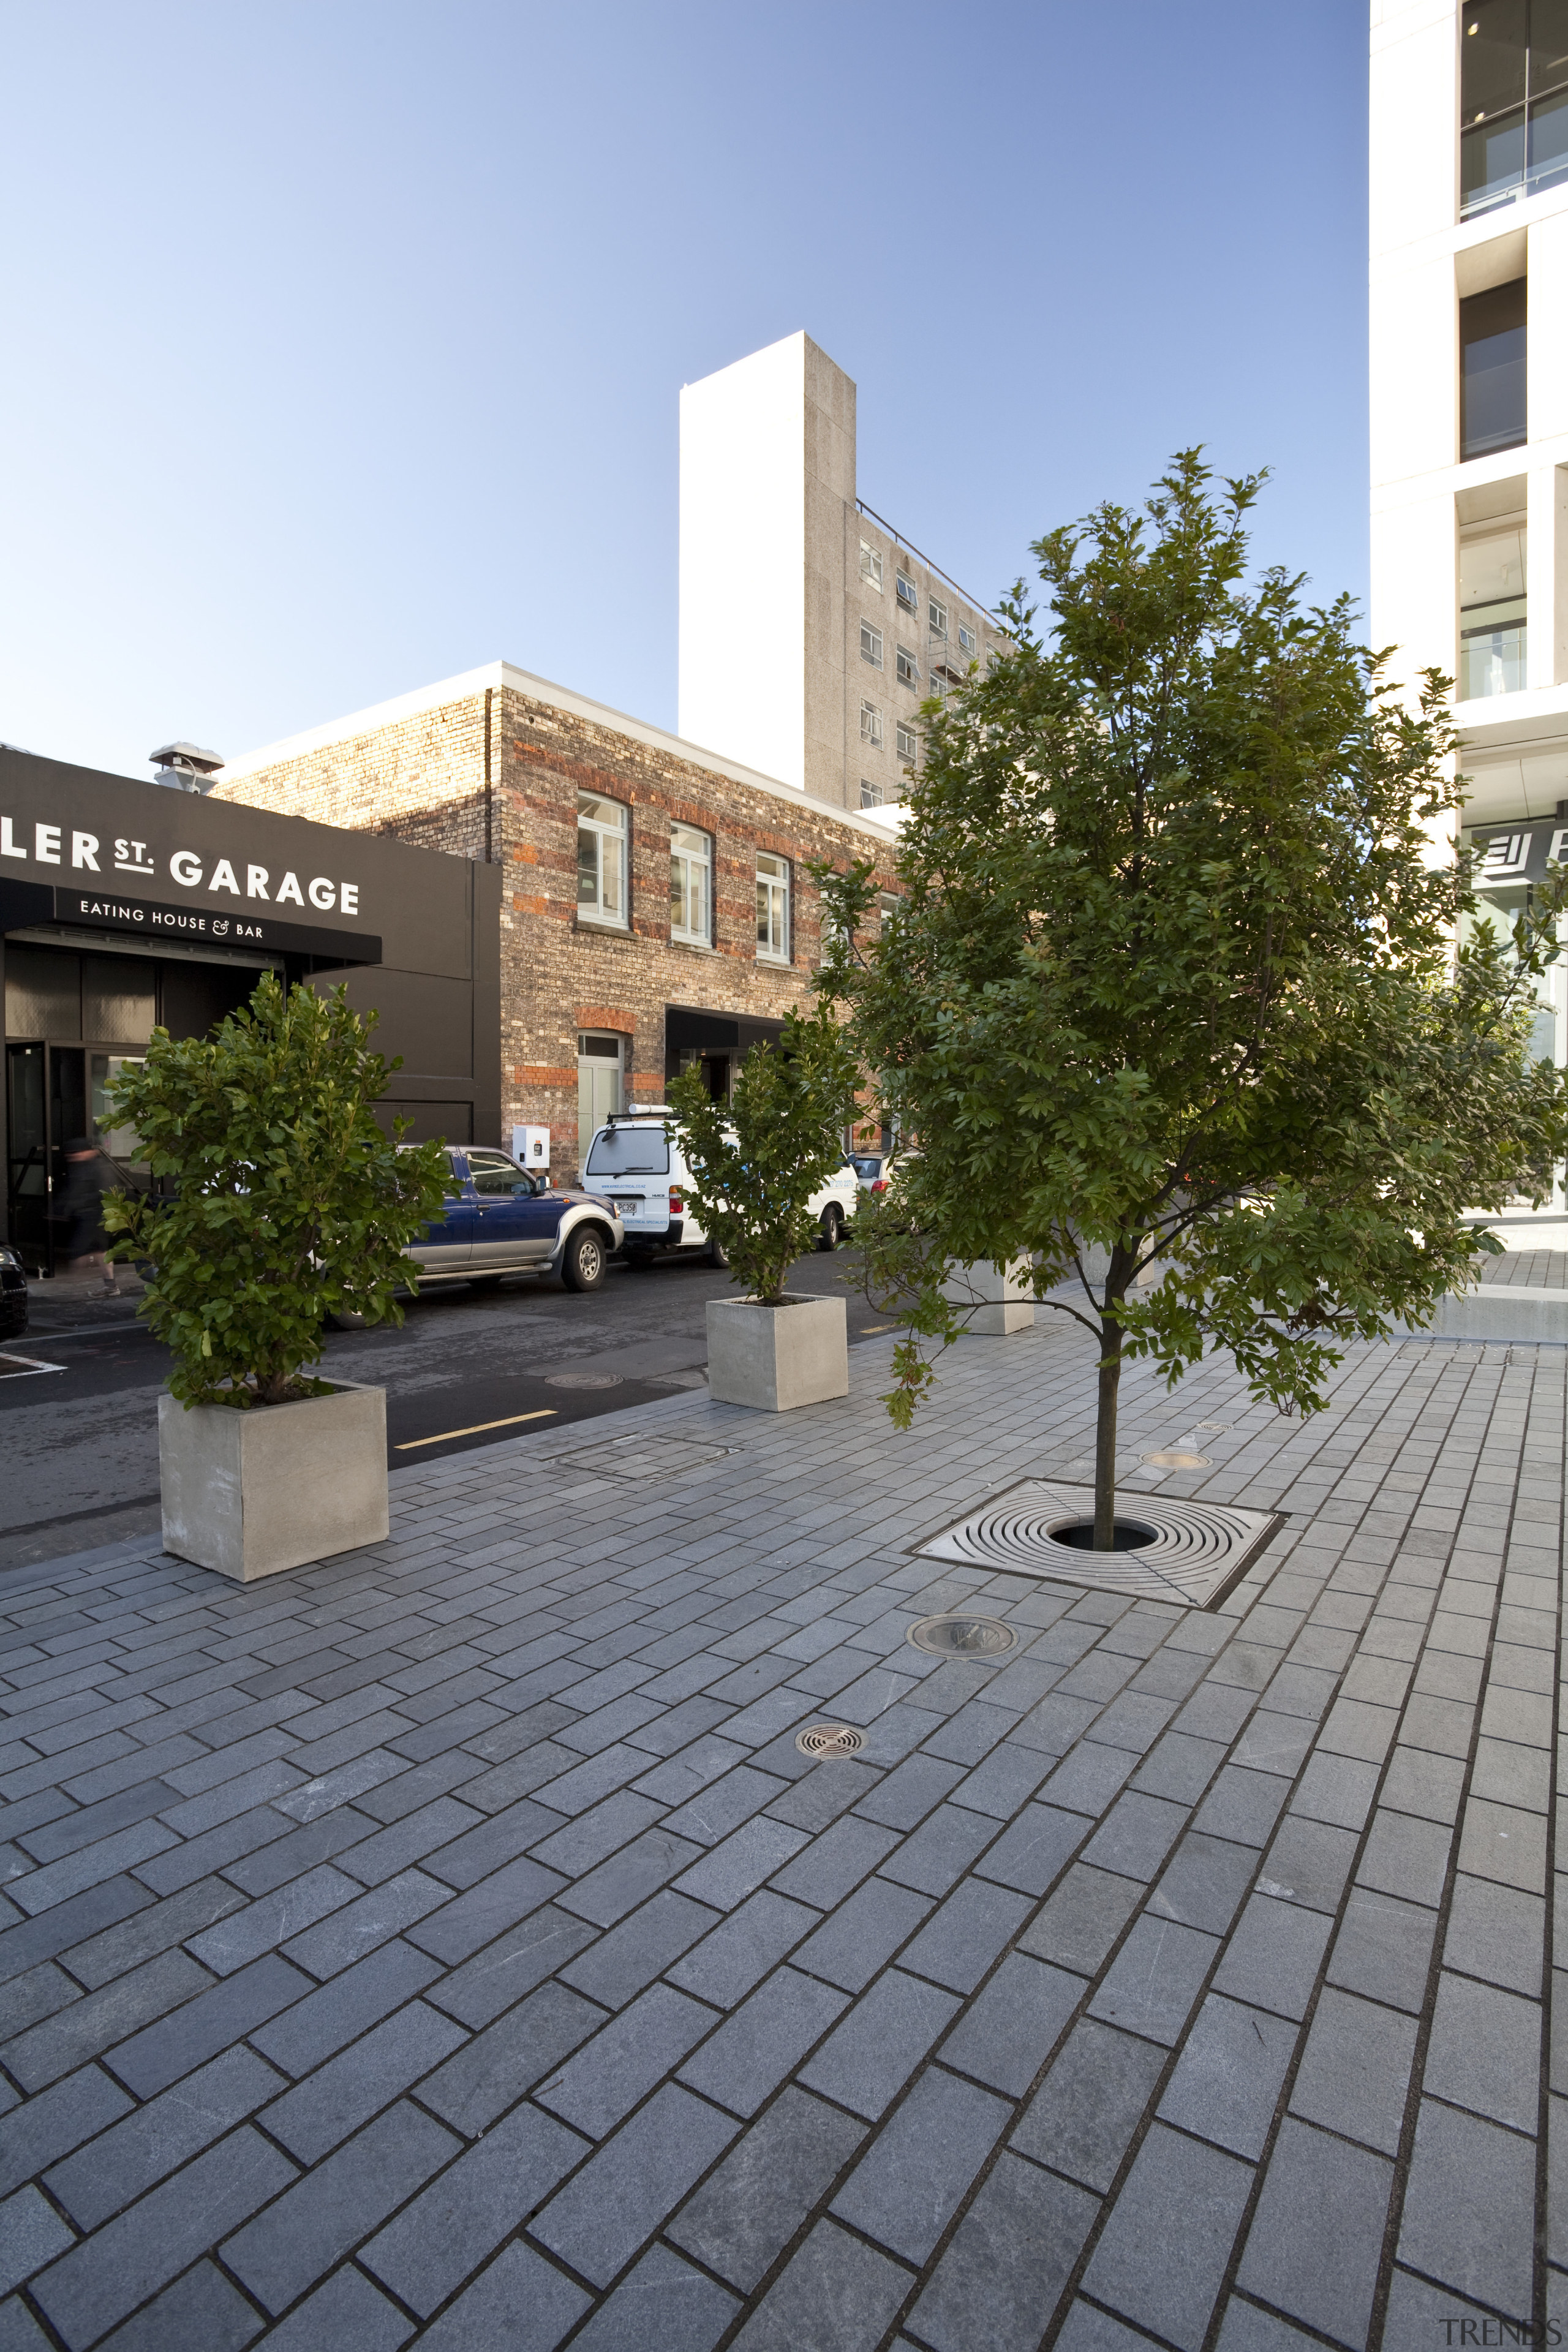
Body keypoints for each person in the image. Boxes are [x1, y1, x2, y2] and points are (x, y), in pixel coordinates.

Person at [56, 1139, 119, 1294]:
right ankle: (110, 1286)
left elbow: (105, 1192)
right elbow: (73, 1190)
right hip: (89, 1215)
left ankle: (69, 1287)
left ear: (87, 1152)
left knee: (79, 1250)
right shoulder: (80, 1167)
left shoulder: (99, 1168)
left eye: (75, 1154)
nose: (71, 1158)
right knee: (100, 1251)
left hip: (95, 1216)